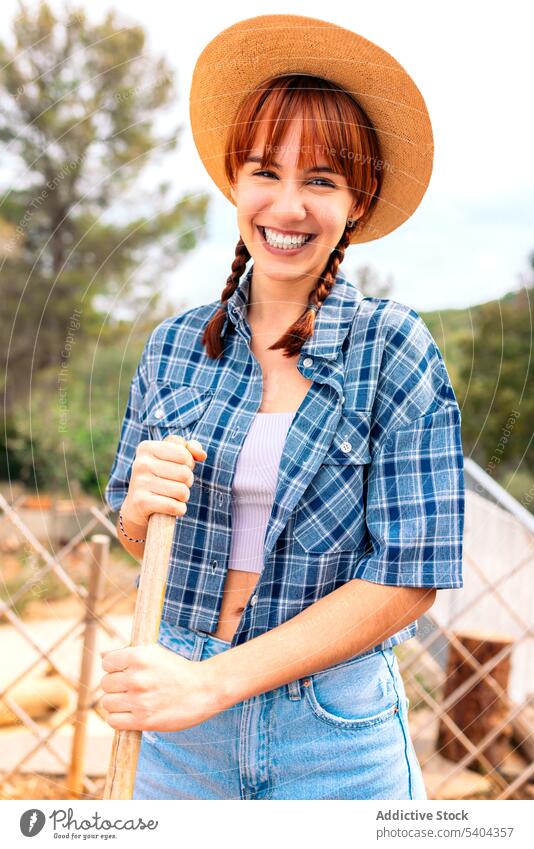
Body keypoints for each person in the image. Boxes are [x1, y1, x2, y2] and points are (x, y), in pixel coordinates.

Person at [100, 14, 465, 800]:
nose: (288, 204)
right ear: (236, 181)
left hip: (333, 737)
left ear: (357, 203)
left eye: (322, 180)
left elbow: (410, 577)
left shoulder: (394, 349)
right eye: (266, 171)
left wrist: (219, 681)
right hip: (176, 732)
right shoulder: (172, 347)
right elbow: (137, 535)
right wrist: (137, 505)